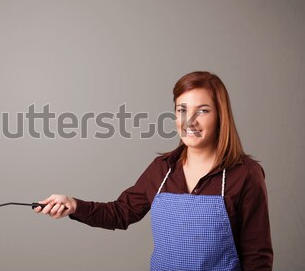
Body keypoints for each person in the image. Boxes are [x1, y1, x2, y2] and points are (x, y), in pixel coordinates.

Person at [34, 71, 273, 271]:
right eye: (182, 110)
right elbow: (120, 213)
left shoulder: (245, 174)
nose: (189, 121)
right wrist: (74, 205)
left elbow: (257, 256)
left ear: (221, 116)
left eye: (203, 110)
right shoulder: (162, 170)